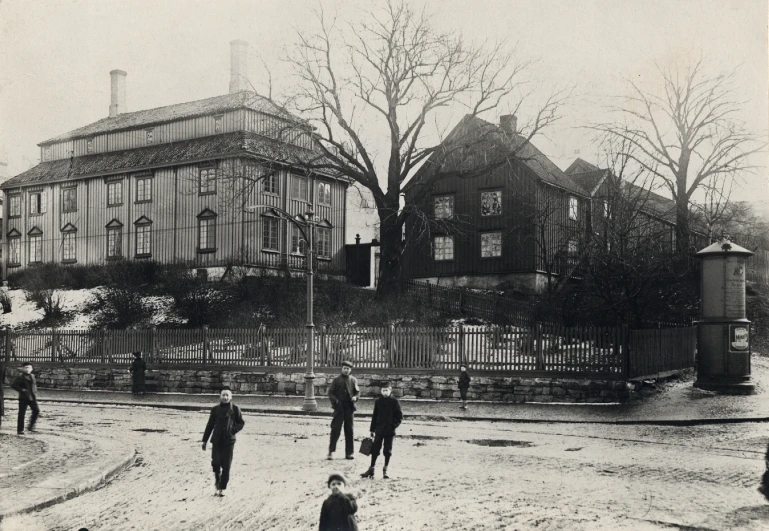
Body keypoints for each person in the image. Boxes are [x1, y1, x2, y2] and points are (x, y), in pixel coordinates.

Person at [202, 386, 245, 497]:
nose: (225, 397)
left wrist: (233, 430)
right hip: (216, 440)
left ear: (231, 397)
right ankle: (217, 478)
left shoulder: (235, 409)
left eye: (227, 395)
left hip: (229, 441)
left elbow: (241, 423)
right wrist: (204, 440)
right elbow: (210, 425)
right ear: (220, 396)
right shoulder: (215, 409)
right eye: (223, 395)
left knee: (226, 465)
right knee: (216, 462)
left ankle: (222, 488)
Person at [361, 381, 402, 480]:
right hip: (379, 430)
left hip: (389, 431)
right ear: (380, 391)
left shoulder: (395, 402)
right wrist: (372, 429)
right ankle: (371, 469)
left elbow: (399, 417)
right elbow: (374, 416)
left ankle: (385, 470)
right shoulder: (378, 402)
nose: (385, 393)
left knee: (387, 450)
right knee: (375, 449)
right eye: (383, 390)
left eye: (386, 390)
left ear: (390, 390)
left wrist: (393, 426)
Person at [328, 361, 360, 460]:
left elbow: (358, 392)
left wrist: (355, 397)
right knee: (335, 429)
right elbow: (330, 393)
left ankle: (349, 453)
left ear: (351, 370)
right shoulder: (336, 380)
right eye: (344, 368)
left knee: (349, 430)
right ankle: (331, 452)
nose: (346, 370)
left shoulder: (353, 380)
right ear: (342, 369)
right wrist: (336, 401)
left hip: (349, 407)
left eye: (348, 369)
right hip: (339, 407)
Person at [11, 362, 39, 435]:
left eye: (29, 368)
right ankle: (20, 430)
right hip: (23, 398)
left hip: (32, 397)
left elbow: (34, 386)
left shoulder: (32, 376)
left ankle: (31, 427)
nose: (27, 369)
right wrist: (22, 390)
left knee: (36, 411)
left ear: (32, 369)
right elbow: (13, 385)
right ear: (23, 369)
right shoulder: (20, 377)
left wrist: (35, 393)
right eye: (26, 368)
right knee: (21, 414)